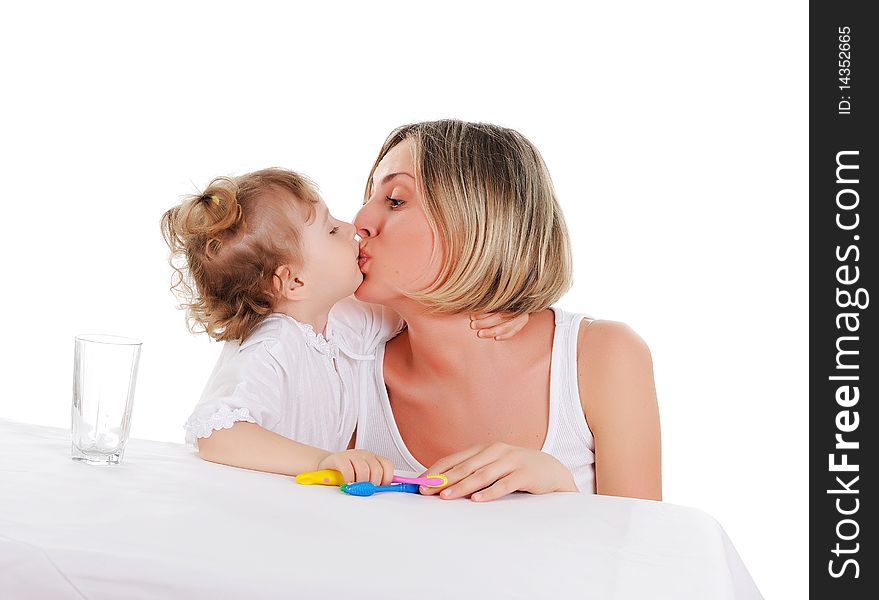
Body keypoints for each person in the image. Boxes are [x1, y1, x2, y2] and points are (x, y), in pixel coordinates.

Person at [352, 120, 662, 502]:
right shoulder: (347, 365)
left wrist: (563, 490)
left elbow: (643, 551)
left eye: (395, 200)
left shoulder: (602, 357)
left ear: (479, 218)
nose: (360, 222)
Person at [160, 167, 525, 485]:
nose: (351, 227)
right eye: (331, 230)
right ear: (294, 282)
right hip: (262, 517)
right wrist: (321, 461)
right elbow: (217, 432)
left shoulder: (340, 322)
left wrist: (501, 304)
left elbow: (421, 307)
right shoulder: (273, 345)